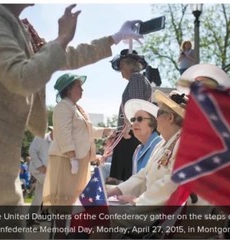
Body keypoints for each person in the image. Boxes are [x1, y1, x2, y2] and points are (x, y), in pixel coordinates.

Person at [0, 4, 142, 207]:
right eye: (78, 86)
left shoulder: (20, 29)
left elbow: (65, 55)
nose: (82, 89)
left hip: (2, 146)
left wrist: (114, 38)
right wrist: (62, 38)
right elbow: (21, 77)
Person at [42, 73, 112, 239]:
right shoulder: (63, 107)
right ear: (68, 90)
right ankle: (59, 237)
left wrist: (107, 131)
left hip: (78, 161)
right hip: (66, 160)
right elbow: (63, 133)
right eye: (78, 86)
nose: (82, 89)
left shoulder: (78, 109)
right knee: (62, 205)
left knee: (71, 204)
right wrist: (72, 156)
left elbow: (87, 132)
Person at [109, 49, 152, 182]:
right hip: (131, 131)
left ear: (128, 65)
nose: (121, 73)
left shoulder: (136, 79)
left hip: (131, 134)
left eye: (122, 68)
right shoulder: (139, 79)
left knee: (127, 177)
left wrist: (129, 128)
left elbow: (135, 107)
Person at [124, 99, 163, 174]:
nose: (135, 123)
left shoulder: (160, 146)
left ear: (152, 123)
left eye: (139, 119)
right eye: (133, 119)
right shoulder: (137, 150)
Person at [27, 126, 53, 226]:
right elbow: (32, 151)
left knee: (39, 196)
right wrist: (40, 166)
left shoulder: (59, 141)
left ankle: (30, 219)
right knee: (52, 189)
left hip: (48, 173)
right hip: (39, 171)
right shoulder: (41, 137)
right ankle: (45, 214)